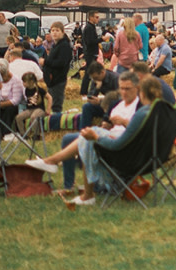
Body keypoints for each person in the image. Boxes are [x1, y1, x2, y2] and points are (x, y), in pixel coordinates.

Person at [26, 74, 157, 205]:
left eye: (128, 89)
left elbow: (141, 132)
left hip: (124, 144)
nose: (123, 92)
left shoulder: (141, 105)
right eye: (121, 88)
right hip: (109, 136)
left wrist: (123, 122)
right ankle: (68, 186)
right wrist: (106, 125)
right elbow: (105, 122)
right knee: (69, 138)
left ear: (137, 88)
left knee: (89, 137)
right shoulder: (116, 104)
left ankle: (53, 163)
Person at [78, 61, 120, 130]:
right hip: (104, 105)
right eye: (93, 78)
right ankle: (84, 131)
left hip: (114, 107)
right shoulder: (96, 79)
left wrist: (101, 101)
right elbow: (90, 96)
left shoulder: (115, 79)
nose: (94, 80)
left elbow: (119, 99)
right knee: (87, 107)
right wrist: (97, 88)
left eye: (96, 78)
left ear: (102, 72)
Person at [41, 22, 72, 114]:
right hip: (52, 79)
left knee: (56, 105)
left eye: (57, 30)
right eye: (52, 30)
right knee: (52, 102)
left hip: (58, 79)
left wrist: (45, 62)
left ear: (62, 32)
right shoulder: (56, 45)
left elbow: (61, 62)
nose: (54, 33)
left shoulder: (64, 45)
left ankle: (57, 122)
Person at [80, 11, 100, 96]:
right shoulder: (89, 28)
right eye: (96, 17)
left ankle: (89, 90)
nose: (98, 19)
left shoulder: (92, 27)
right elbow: (90, 42)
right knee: (89, 72)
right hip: (90, 53)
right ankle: (84, 91)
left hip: (92, 53)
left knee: (91, 72)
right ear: (91, 18)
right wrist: (101, 39)